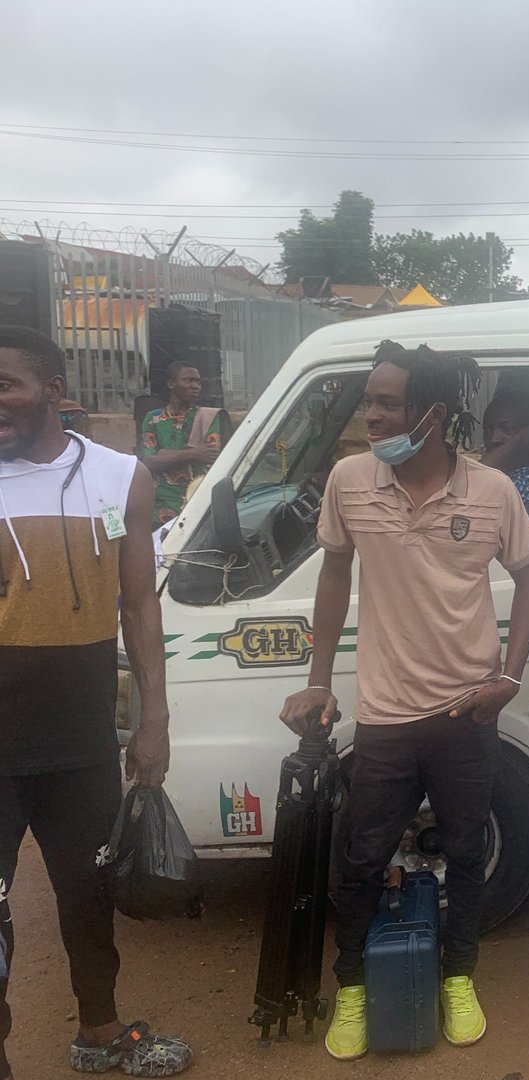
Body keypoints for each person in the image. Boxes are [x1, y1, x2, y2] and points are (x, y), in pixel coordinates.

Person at [278, 340, 529, 1061]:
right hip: (386, 715)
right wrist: (319, 677)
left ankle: (458, 977)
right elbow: (334, 575)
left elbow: (528, 582)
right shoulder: (349, 481)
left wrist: (510, 678)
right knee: (362, 858)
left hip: (466, 712)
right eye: (369, 401)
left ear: (432, 414)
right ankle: (354, 986)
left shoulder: (491, 491)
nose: (371, 415)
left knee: (465, 852)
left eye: (386, 403)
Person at [0, 325, 191, 1078]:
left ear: (53, 391)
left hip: (80, 744)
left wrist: (153, 719)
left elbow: (140, 605)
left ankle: (100, 1031)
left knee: (88, 895)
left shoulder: (120, 477)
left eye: (6, 386)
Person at [137, 362, 229, 528]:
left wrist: (164, 454)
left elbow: (210, 457)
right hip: (159, 508)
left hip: (196, 505)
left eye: (198, 382)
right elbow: (148, 463)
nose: (195, 386)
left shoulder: (207, 417)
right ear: (171, 383)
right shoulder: (153, 419)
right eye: (188, 381)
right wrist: (191, 454)